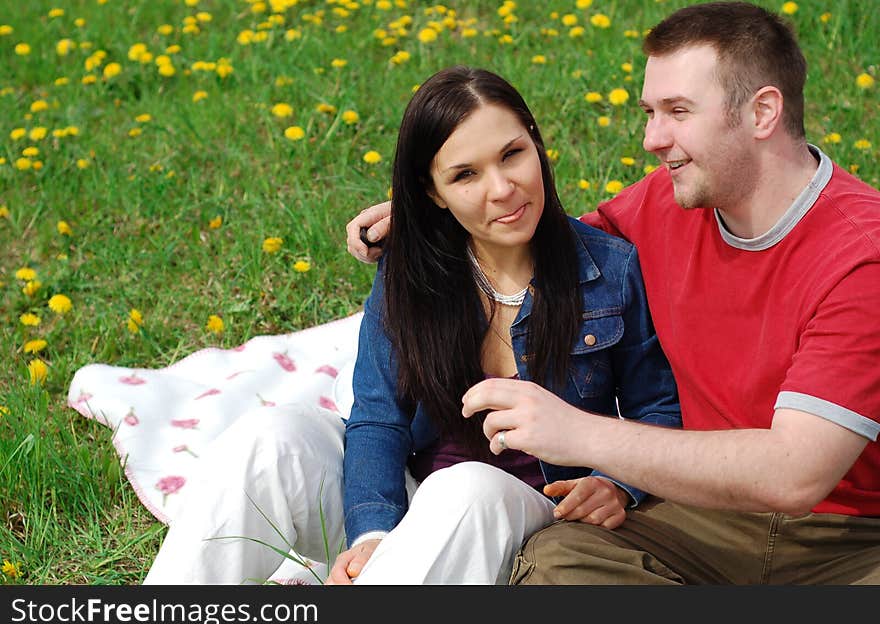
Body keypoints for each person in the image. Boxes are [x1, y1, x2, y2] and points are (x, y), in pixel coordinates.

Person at [346, 1, 880, 584]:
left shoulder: (862, 254)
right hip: (698, 515)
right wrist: (437, 213)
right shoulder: (666, 202)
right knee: (559, 563)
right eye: (650, 111)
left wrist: (578, 434)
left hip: (849, 539)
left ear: (762, 112)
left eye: (677, 111)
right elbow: (543, 240)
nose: (653, 138)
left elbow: (794, 474)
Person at [143, 66, 680, 585]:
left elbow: (656, 406)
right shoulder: (410, 272)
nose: (502, 188)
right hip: (410, 505)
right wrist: (372, 535)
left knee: (464, 487)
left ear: (537, 146)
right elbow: (378, 418)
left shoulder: (610, 270)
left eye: (512, 154)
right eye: (465, 175)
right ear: (431, 192)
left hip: (526, 518)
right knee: (274, 437)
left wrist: (618, 484)